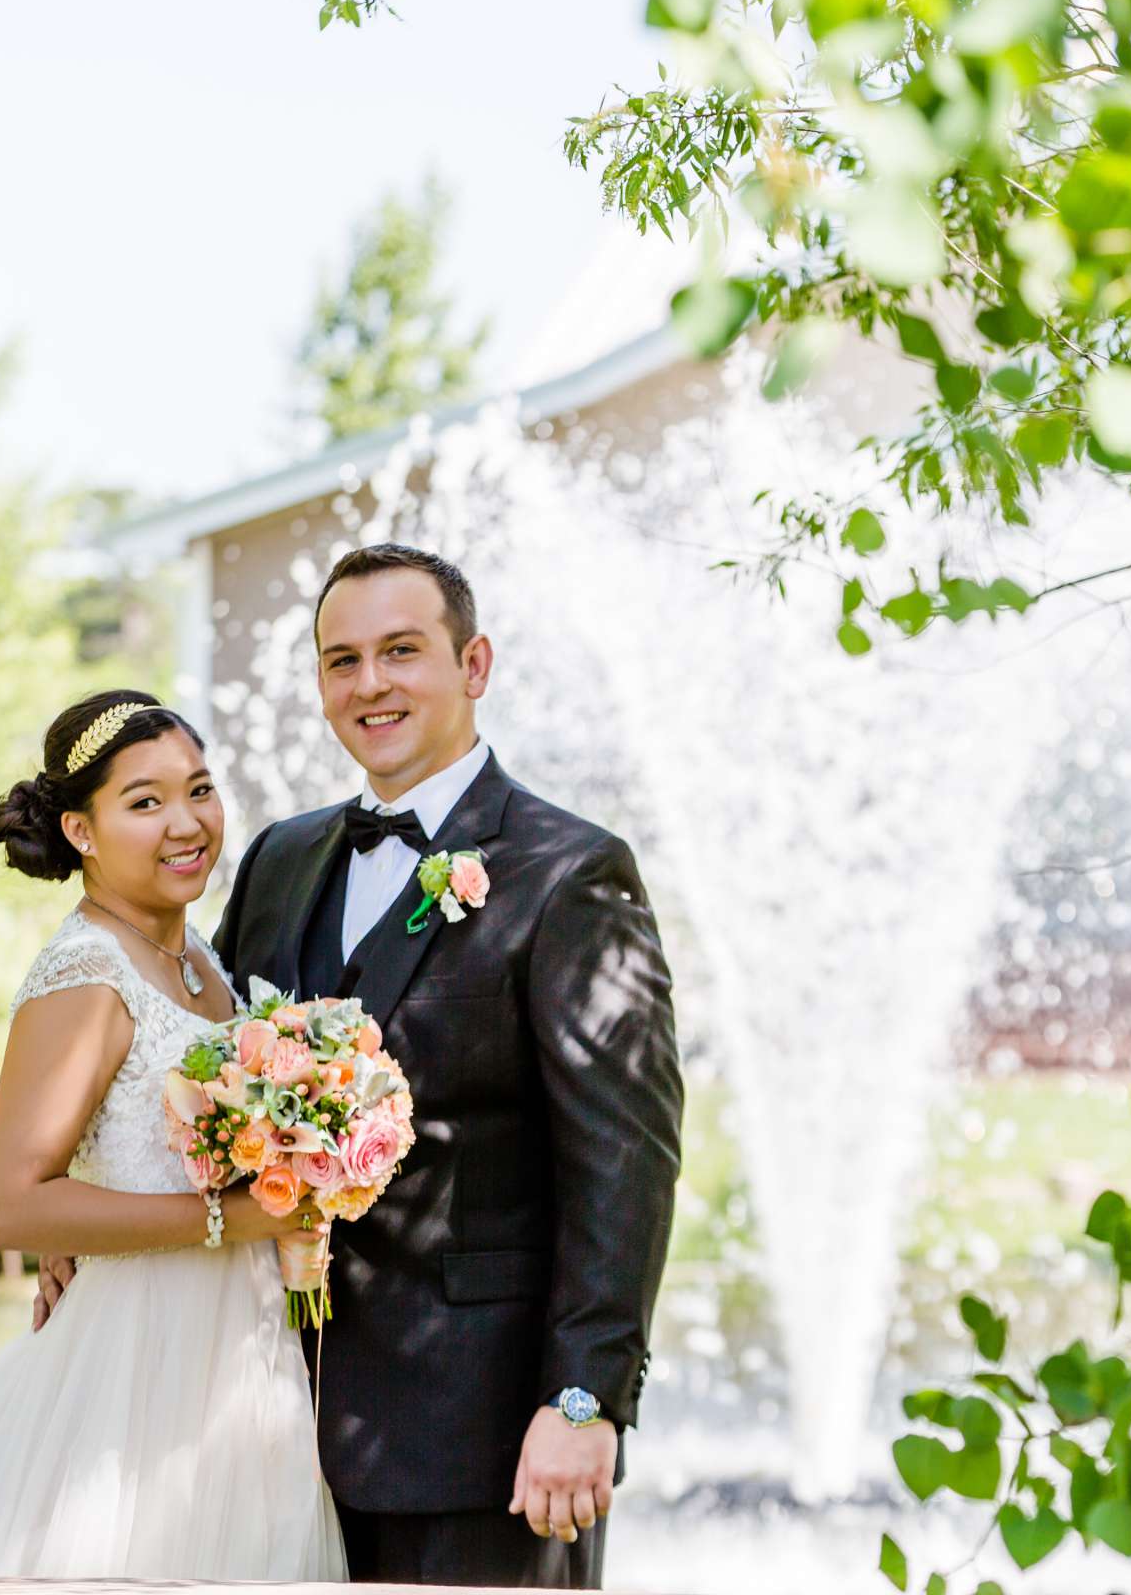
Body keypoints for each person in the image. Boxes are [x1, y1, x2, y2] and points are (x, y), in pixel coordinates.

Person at [37, 544, 684, 1588]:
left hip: (478, 1435)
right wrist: (81, 1219)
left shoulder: (572, 872)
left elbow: (626, 1164)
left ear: (473, 664)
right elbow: (188, 1059)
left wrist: (584, 1402)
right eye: (341, 660)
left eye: (401, 651)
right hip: (254, 1420)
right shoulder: (281, 859)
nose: (369, 683)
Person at [0, 689, 345, 1578]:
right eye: (144, 803)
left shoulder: (200, 961)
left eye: (199, 789)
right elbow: (9, 1205)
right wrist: (234, 1219)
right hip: (139, 1366)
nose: (186, 823)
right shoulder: (85, 974)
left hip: (239, 1356)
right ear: (81, 830)